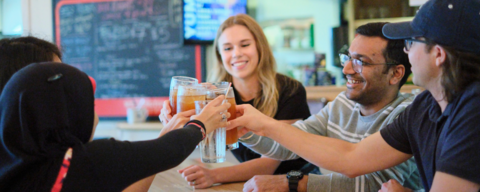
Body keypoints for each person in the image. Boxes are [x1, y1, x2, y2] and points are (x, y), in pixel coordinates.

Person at [228, 0, 480, 191]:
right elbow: (352, 158)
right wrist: (258, 125)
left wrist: (292, 182)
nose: (407, 49)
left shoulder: (473, 112)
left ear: (438, 54)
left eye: (412, 42)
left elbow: (366, 179)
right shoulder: (426, 106)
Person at [230, 22, 423, 192]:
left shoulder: (407, 114)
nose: (346, 69)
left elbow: (373, 185)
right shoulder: (343, 104)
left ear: (396, 73)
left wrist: (292, 183)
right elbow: (285, 147)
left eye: (361, 62)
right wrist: (241, 126)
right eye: (347, 58)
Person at [0, 63, 231, 191]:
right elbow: (168, 151)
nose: (96, 115)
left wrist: (165, 135)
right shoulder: (85, 161)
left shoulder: (15, 165)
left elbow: (153, 158)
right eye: (90, 105)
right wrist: (201, 125)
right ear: (68, 114)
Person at [159, 14, 314, 188]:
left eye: (245, 45)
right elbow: (199, 136)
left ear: (259, 47)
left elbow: (271, 162)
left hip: (293, 184)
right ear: (219, 56)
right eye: (227, 48)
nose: (237, 54)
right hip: (247, 184)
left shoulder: (291, 90)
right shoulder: (215, 94)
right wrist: (173, 123)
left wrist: (213, 175)